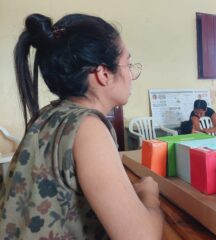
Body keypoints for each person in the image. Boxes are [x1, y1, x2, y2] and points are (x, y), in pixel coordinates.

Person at [0, 14, 162, 239]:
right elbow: (141, 237)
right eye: (128, 63)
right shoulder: (88, 128)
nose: (131, 75)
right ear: (104, 73)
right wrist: (149, 195)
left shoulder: (48, 115)